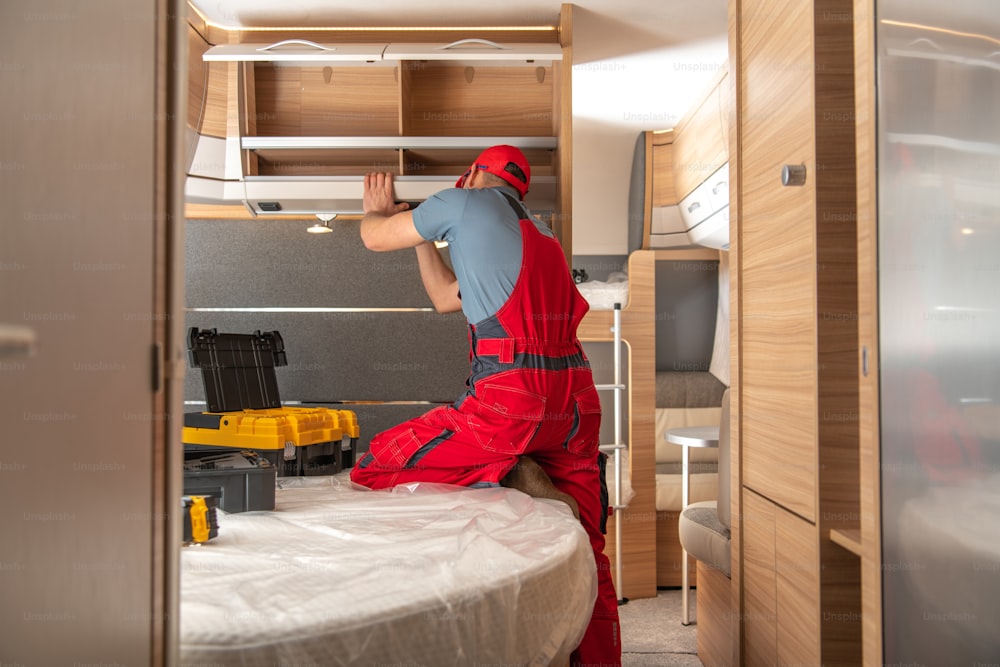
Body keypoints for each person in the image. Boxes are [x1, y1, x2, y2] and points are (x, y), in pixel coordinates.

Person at [349, 145, 621, 666]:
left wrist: (379, 209)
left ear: (472, 174)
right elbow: (445, 296)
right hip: (576, 402)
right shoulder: (543, 236)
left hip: (511, 399)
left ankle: (515, 472)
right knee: (589, 548)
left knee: (379, 462)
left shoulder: (463, 201)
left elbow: (371, 237)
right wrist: (420, 235)